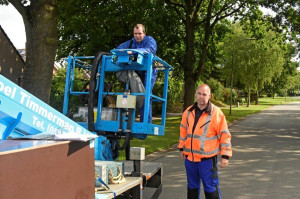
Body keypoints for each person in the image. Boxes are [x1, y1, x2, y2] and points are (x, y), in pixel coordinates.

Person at [178, 84, 232, 199]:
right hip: (190, 160)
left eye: (204, 94)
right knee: (192, 187)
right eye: (199, 94)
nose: (201, 97)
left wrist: (225, 155)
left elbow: (224, 134)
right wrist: (182, 148)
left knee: (211, 188)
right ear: (196, 94)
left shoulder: (216, 113)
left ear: (209, 96)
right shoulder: (188, 112)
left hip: (207, 161)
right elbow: (183, 131)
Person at [116, 24, 157, 123]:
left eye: (140, 33)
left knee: (146, 94)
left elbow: (150, 50)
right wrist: (122, 52)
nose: (137, 36)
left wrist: (133, 52)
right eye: (135, 33)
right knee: (134, 94)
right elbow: (118, 50)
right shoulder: (130, 43)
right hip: (136, 72)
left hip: (148, 72)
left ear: (144, 33)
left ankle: (145, 122)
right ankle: (128, 120)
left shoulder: (150, 41)